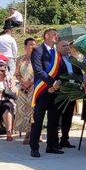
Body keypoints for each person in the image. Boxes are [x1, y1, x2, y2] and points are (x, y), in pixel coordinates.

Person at [29, 28, 65, 157]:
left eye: (57, 35)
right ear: (46, 36)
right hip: (42, 91)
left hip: (55, 91)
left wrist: (57, 85)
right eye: (54, 34)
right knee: (38, 120)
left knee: (54, 120)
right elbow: (39, 71)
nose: (57, 36)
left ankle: (52, 145)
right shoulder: (37, 50)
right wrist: (52, 83)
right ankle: (34, 147)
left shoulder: (57, 53)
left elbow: (61, 70)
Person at [15, 37, 36, 144]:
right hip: (23, 89)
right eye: (31, 44)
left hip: (34, 88)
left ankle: (31, 134)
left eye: (34, 44)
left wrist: (30, 82)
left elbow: (40, 72)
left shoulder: (38, 59)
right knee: (24, 111)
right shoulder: (20, 59)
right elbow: (17, 74)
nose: (33, 46)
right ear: (25, 46)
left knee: (33, 111)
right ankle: (28, 132)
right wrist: (23, 82)